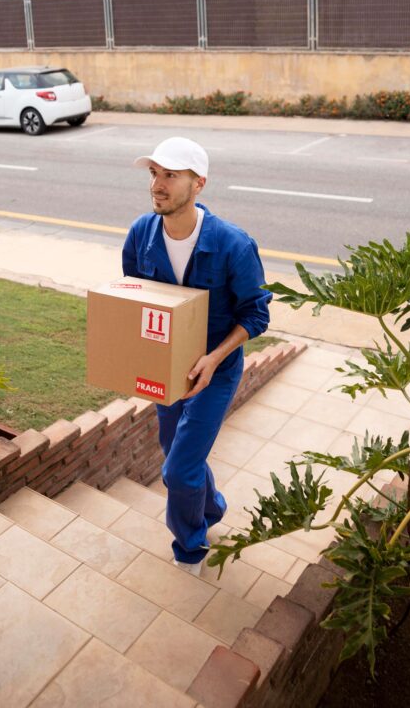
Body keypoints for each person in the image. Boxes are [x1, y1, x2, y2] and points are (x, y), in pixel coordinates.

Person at [122, 136, 272, 575]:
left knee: (178, 469)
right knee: (175, 449)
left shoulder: (233, 245)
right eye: (154, 173)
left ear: (199, 183)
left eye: (170, 175)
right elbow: (137, 299)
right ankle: (212, 507)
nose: (158, 184)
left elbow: (256, 316)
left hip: (215, 371)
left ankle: (190, 548)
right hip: (167, 370)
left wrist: (214, 357)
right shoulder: (140, 235)